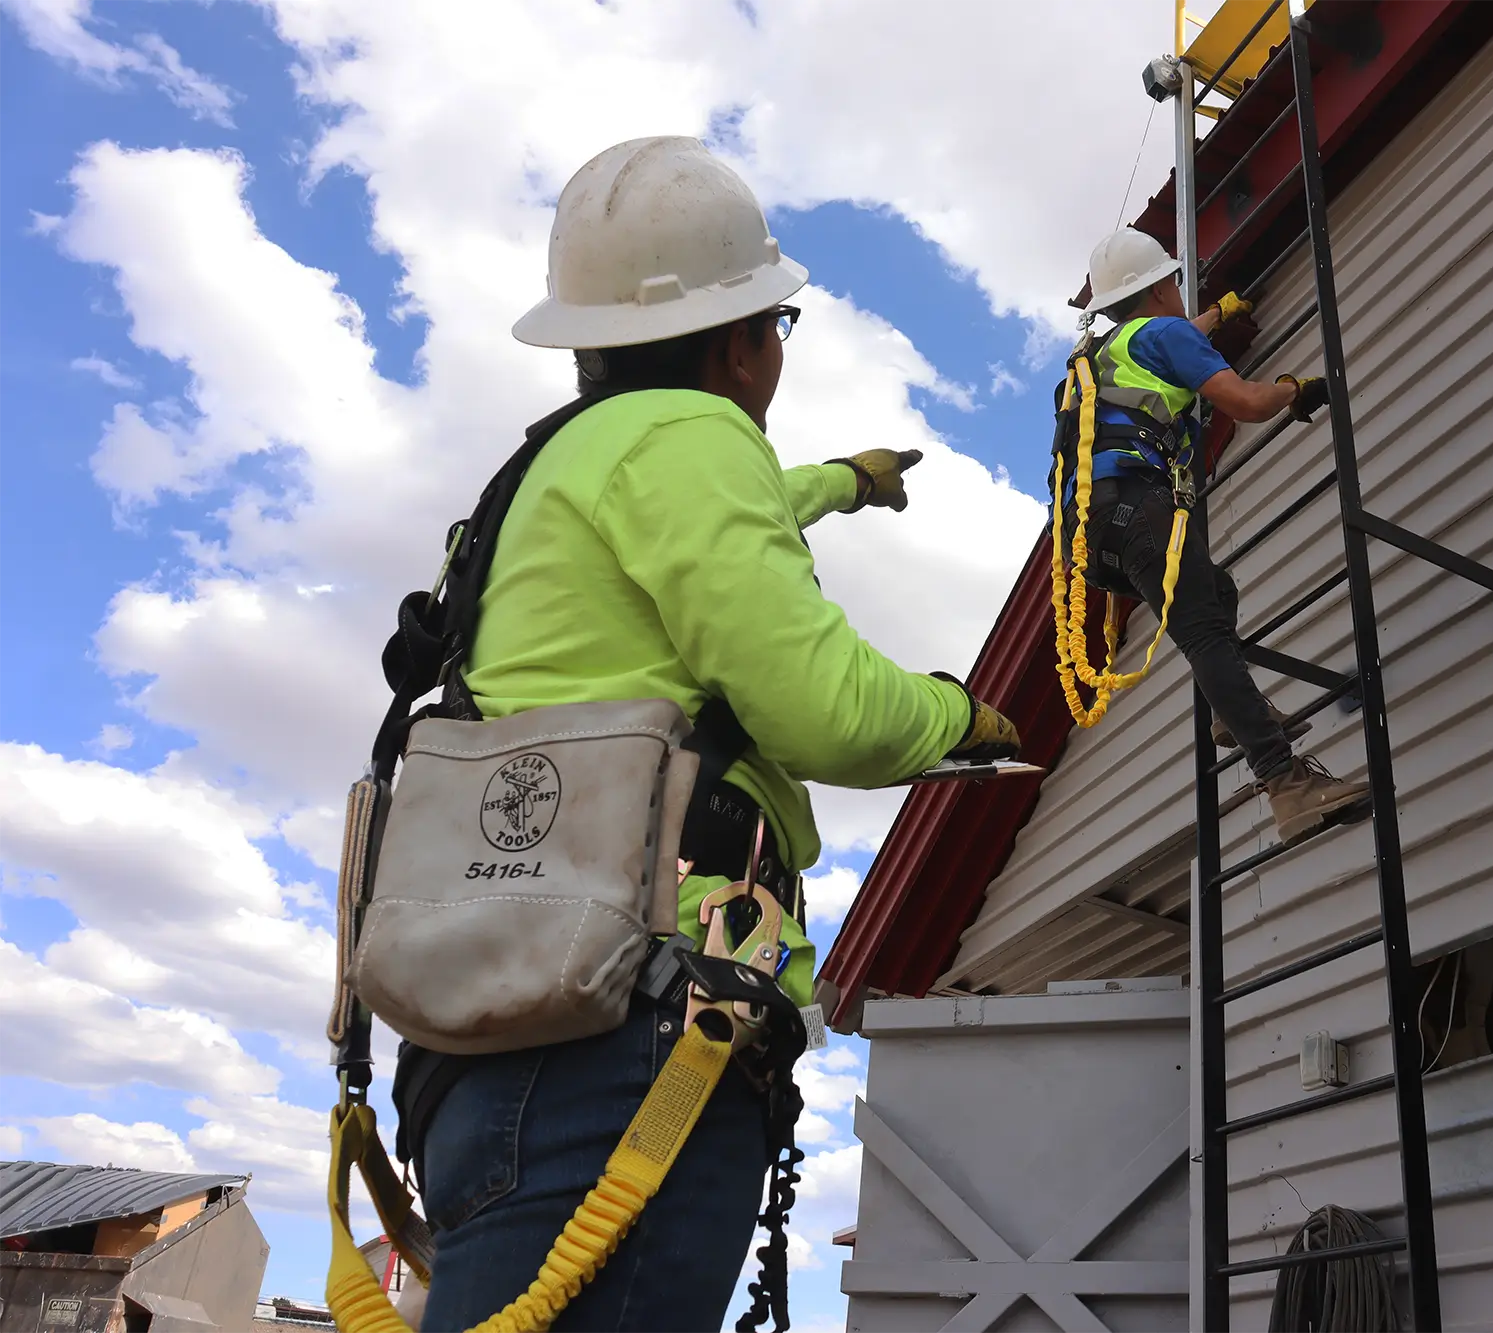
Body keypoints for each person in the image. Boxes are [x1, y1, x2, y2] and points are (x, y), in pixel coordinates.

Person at [403, 136, 1020, 1333]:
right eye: (776, 326)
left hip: (501, 1015)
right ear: (742, 342)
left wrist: (843, 480)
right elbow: (828, 713)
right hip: (630, 1027)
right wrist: (962, 712)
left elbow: (719, 509)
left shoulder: (541, 475)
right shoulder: (693, 441)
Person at [1073, 228, 1371, 842]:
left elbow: (1172, 338)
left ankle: (1230, 717)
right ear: (1160, 287)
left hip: (1098, 528)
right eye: (1173, 284)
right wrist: (1294, 389)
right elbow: (1248, 402)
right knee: (1206, 633)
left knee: (1216, 590)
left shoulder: (1106, 355)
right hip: (1145, 506)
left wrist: (1216, 313)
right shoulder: (1165, 333)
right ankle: (1288, 785)